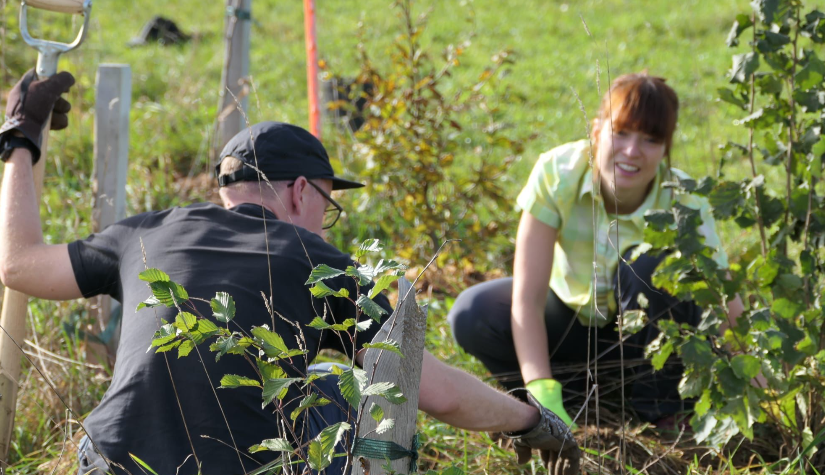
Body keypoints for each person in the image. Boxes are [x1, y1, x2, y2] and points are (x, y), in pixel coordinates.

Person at [0, 70, 579, 475]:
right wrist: (531, 419)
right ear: (301, 191)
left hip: (108, 463)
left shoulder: (149, 232)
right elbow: (437, 393)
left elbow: (18, 265)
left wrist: (21, 139)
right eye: (326, 206)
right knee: (337, 387)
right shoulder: (326, 266)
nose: (325, 225)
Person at [448, 73, 742, 428]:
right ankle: (560, 402)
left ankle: (662, 413)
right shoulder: (558, 173)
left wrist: (757, 377)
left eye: (650, 139)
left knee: (646, 265)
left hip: (649, 348)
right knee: (473, 312)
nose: (632, 151)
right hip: (571, 325)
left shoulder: (686, 201)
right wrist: (543, 391)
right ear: (597, 129)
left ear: (666, 147)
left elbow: (725, 300)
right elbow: (527, 299)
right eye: (621, 132)